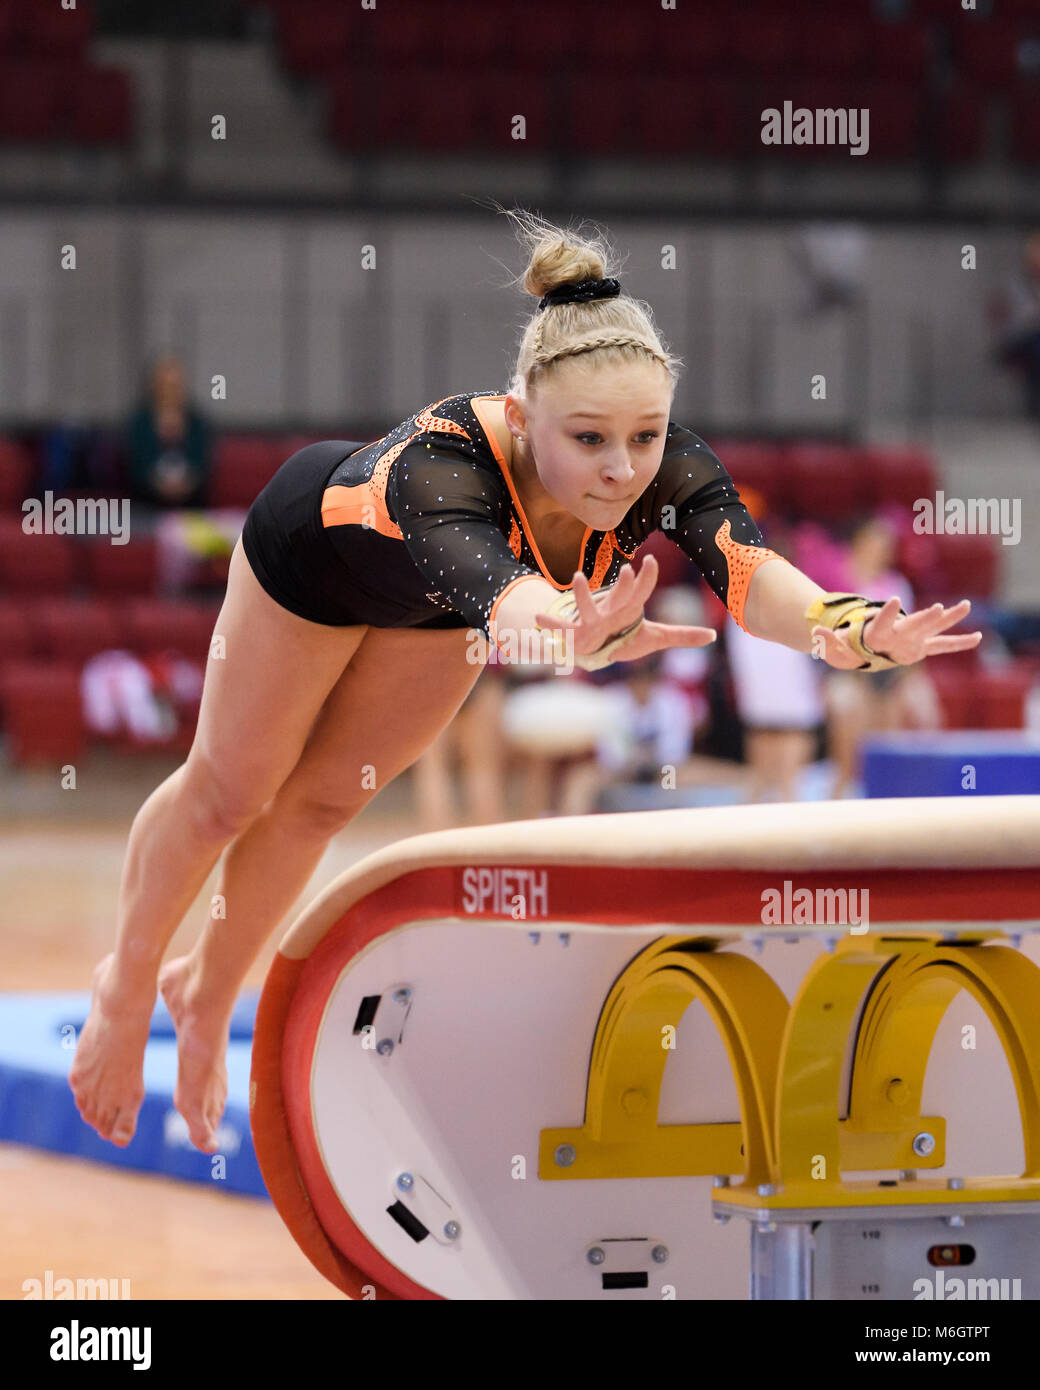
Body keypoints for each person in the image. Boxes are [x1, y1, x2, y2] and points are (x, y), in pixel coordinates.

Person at [70, 207, 982, 1155]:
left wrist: (845, 626)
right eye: (588, 440)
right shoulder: (441, 469)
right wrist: (575, 635)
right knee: (232, 790)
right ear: (523, 410)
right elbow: (498, 596)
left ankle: (206, 997)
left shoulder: (657, 464)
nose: (622, 469)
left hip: (442, 607)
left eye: (645, 437)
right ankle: (128, 991)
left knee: (319, 806)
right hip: (314, 562)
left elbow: (748, 572)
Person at [126, 354, 212, 508]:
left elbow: (203, 464)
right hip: (146, 506)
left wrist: (185, 485)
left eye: (174, 386)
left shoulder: (197, 422)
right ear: (153, 387)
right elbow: (136, 466)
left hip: (191, 505)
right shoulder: (139, 423)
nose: (169, 392)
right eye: (164, 385)